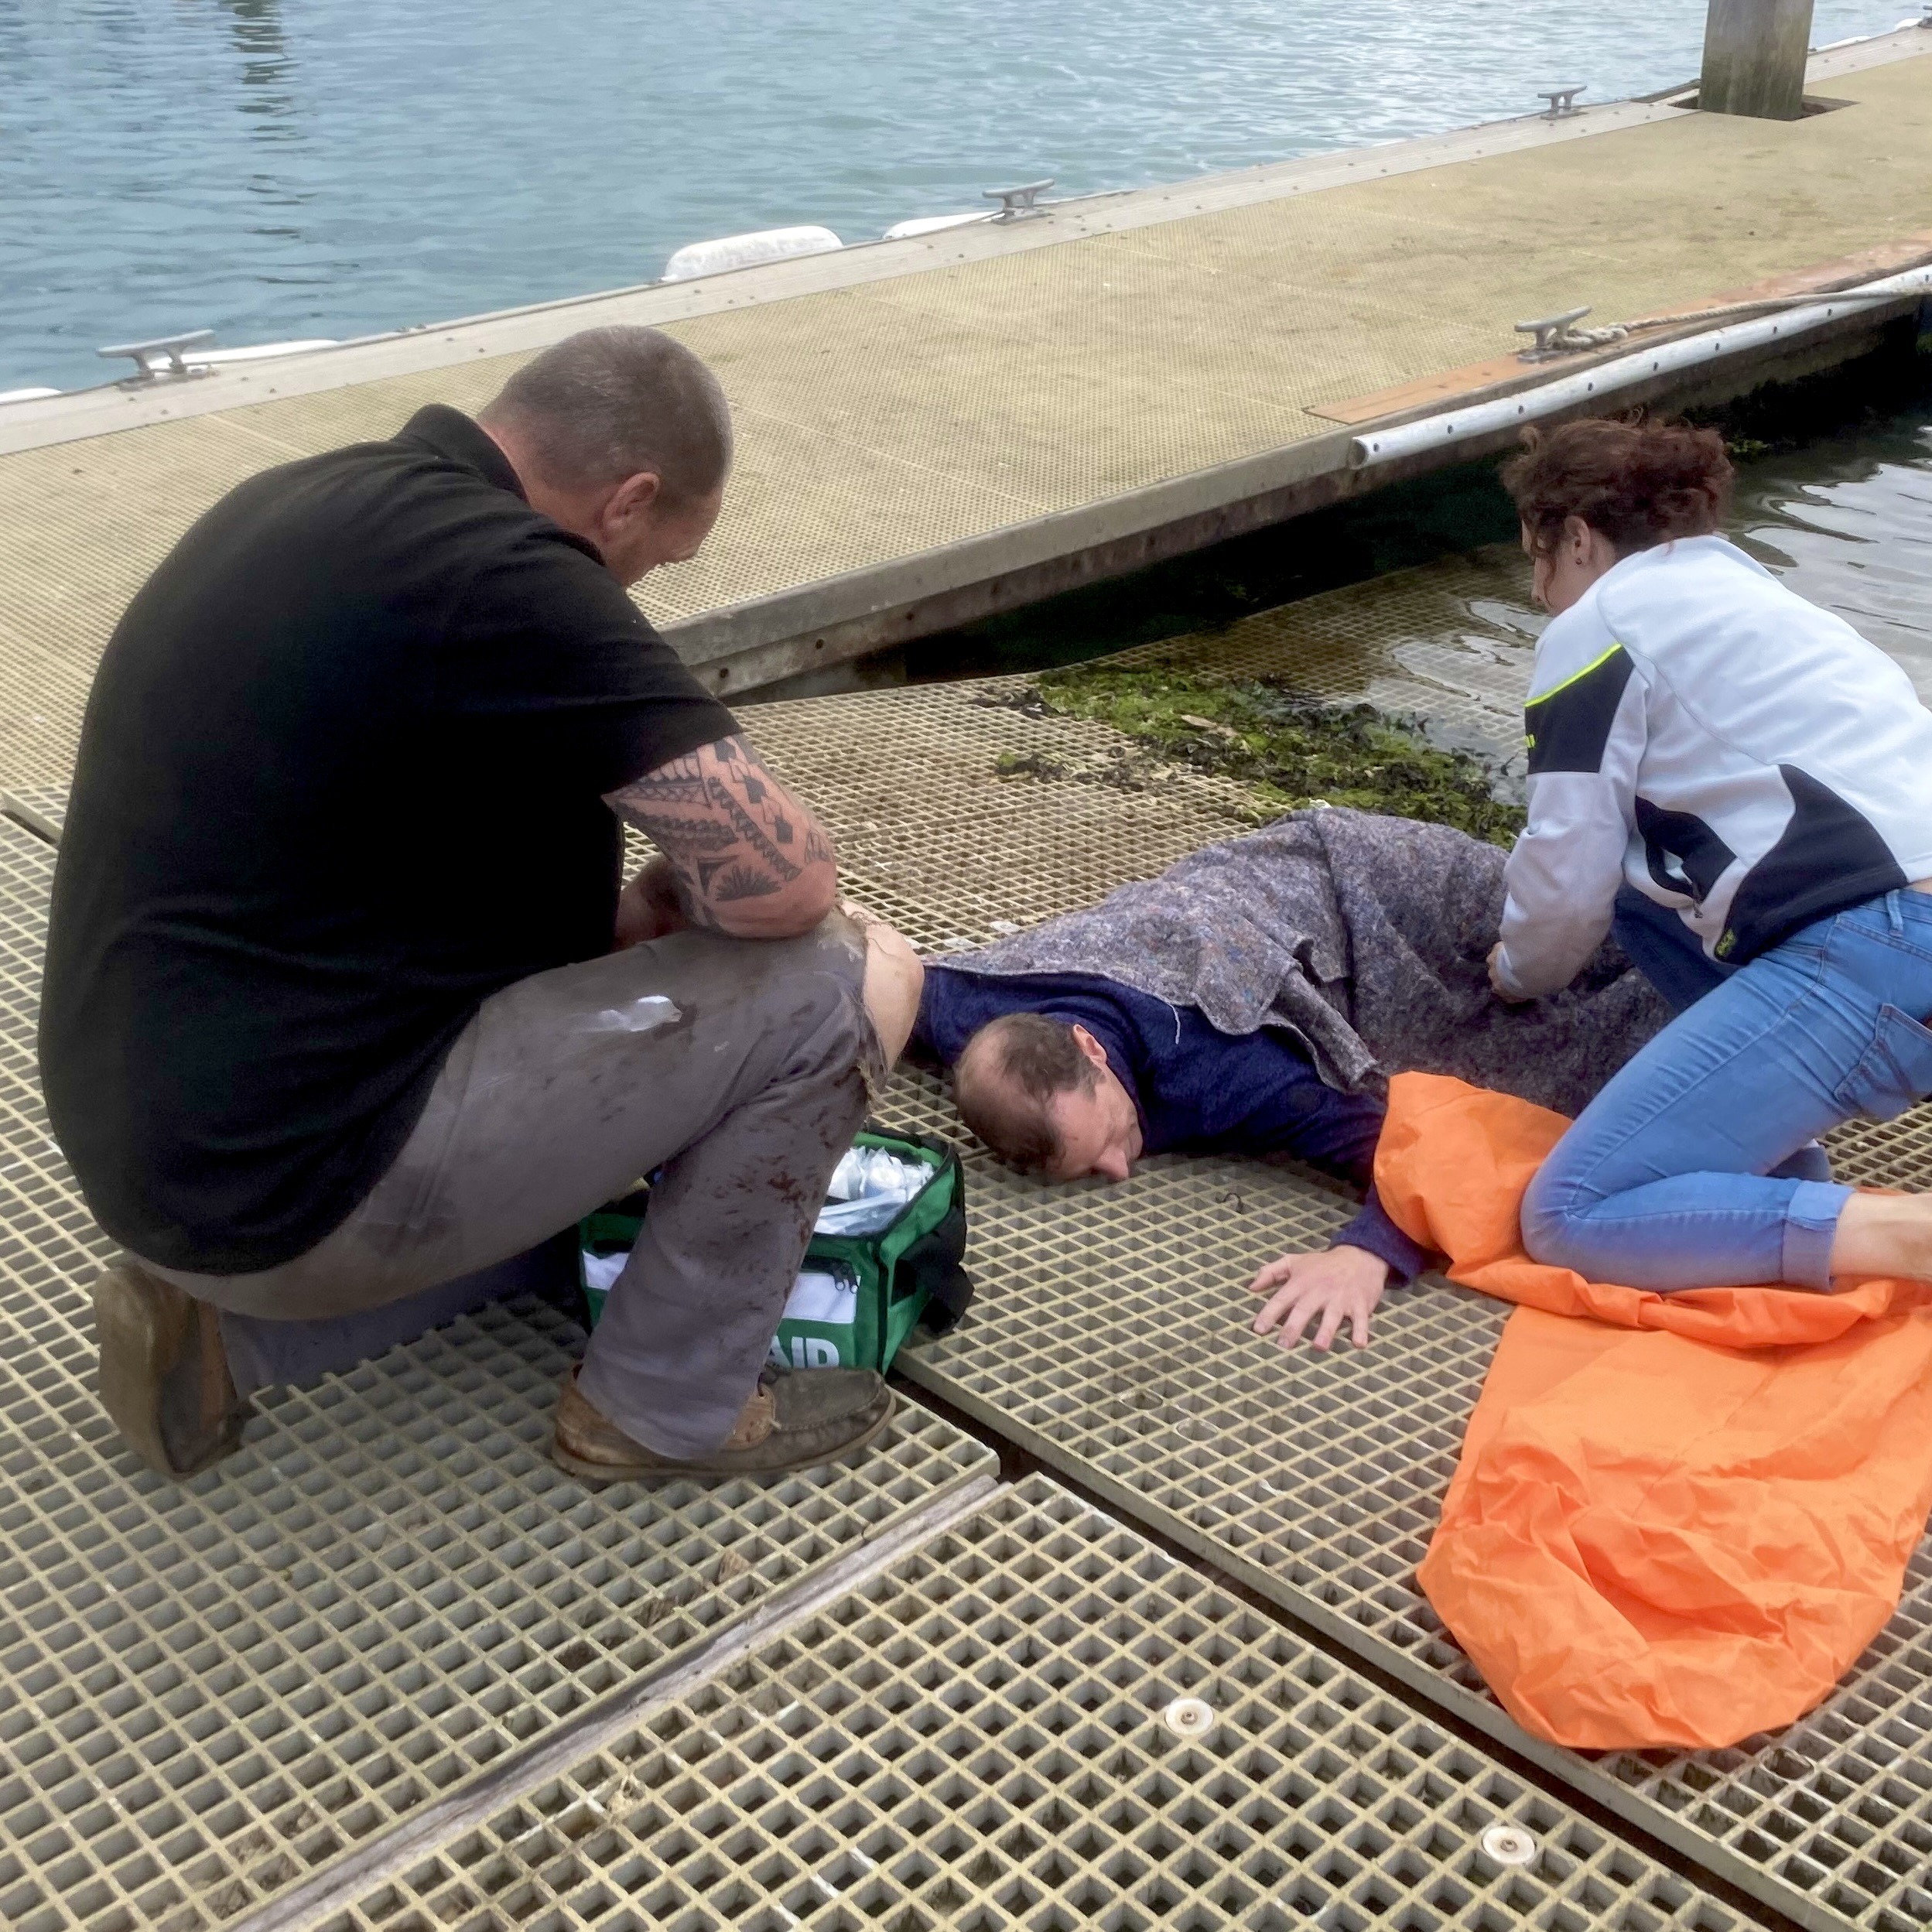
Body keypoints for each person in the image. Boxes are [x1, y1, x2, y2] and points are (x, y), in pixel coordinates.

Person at [39, 324, 924, 1485]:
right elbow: (793, 884)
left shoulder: (301, 503)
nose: (638, 590)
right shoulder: (510, 574)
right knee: (838, 976)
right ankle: (663, 1411)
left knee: (628, 1122)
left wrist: (620, 930)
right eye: (660, 559)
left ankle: (227, 1338)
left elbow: (353, 876)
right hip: (285, 1189)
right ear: (628, 500)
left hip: (162, 1155)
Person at [911, 806, 1670, 1353]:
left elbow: (1395, 1142)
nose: (1117, 1168)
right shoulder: (967, 1007)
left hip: (1396, 893)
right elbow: (871, 979)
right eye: (1093, 1163)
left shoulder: (1215, 1068)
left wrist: (1366, 1253)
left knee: (1612, 1022)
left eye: (1112, 1134)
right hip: (1250, 894)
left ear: (1092, 1047)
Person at [1489, 415, 1932, 1292]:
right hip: (1898, 928)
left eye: (1536, 558)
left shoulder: (1598, 625)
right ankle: (1768, 1150)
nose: (1539, 590)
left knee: (1569, 1214)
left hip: (1874, 948)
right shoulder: (1767, 601)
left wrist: (1510, 972)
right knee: (1638, 887)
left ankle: (1911, 1235)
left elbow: (1564, 880)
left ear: (1575, 538)